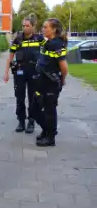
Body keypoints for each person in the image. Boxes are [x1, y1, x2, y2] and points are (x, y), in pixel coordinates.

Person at [4, 16, 44, 134]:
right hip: (20, 72)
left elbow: (50, 50)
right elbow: (10, 57)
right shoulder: (18, 40)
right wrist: (6, 72)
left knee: (33, 98)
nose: (25, 28)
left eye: (27, 26)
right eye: (23, 26)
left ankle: (31, 121)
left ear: (32, 27)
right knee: (19, 98)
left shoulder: (39, 39)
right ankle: (21, 121)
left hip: (34, 72)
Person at [32, 18, 68, 147]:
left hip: (51, 83)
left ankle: (50, 137)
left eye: (45, 27)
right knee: (34, 109)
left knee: (49, 110)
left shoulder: (57, 44)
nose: (43, 29)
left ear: (53, 29)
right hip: (41, 82)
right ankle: (47, 130)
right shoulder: (48, 43)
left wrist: (62, 80)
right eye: (43, 27)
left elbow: (64, 67)